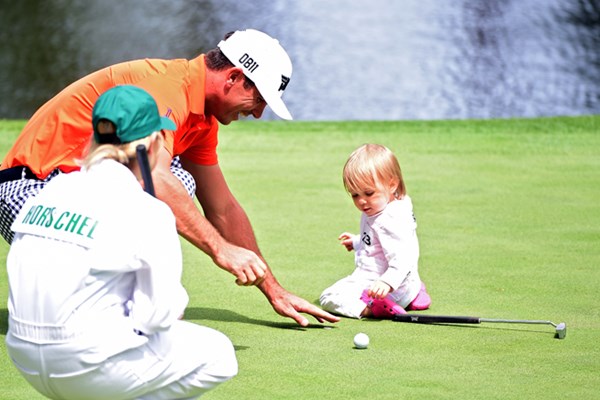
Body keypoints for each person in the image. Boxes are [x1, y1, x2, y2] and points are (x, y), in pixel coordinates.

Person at [0, 28, 339, 327]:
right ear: (234, 77)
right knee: (170, 179)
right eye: (260, 99)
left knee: (180, 180)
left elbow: (222, 208)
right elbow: (157, 181)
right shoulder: (167, 89)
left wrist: (273, 289)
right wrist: (221, 250)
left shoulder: (201, 117)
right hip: (29, 194)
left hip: (70, 197)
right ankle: (105, 298)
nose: (258, 112)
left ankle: (106, 298)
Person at [5, 85, 238, 399]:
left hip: (23, 357)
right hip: (87, 364)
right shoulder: (150, 211)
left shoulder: (44, 194)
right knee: (218, 354)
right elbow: (156, 316)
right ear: (152, 145)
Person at [319, 144, 431, 319]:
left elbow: (403, 257)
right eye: (355, 195)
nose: (362, 201)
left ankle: (372, 309)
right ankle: (413, 291)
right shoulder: (389, 205)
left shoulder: (389, 220)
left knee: (328, 297)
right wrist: (357, 242)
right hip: (405, 283)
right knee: (404, 283)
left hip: (380, 285)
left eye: (368, 193)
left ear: (392, 184)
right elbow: (381, 241)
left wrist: (387, 282)